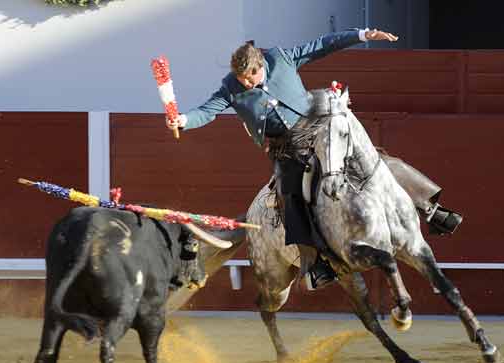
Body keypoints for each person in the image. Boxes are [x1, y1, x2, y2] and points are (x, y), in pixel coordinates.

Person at [167, 29, 462, 288]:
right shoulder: (231, 87)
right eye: (241, 78)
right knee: (290, 195)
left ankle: (430, 208)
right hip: (287, 149)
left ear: (260, 66)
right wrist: (183, 119)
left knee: (376, 161)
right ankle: (315, 264)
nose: (244, 83)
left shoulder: (280, 58)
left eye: (249, 77)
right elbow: (207, 110)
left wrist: (362, 35)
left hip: (319, 128)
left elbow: (322, 44)